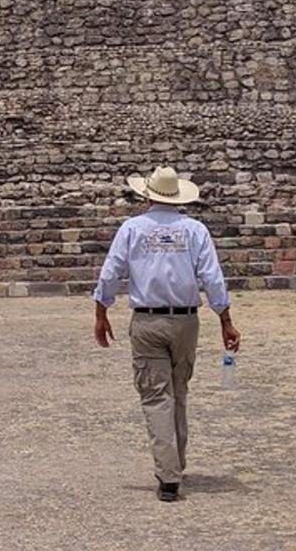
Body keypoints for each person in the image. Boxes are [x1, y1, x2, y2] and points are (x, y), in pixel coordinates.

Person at [92, 166, 242, 503]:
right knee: (178, 392)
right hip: (186, 321)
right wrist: (225, 319)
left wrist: (101, 312)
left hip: (147, 321)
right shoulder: (194, 230)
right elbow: (212, 278)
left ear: (147, 194)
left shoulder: (132, 229)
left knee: (156, 396)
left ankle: (169, 475)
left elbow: (111, 272)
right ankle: (176, 463)